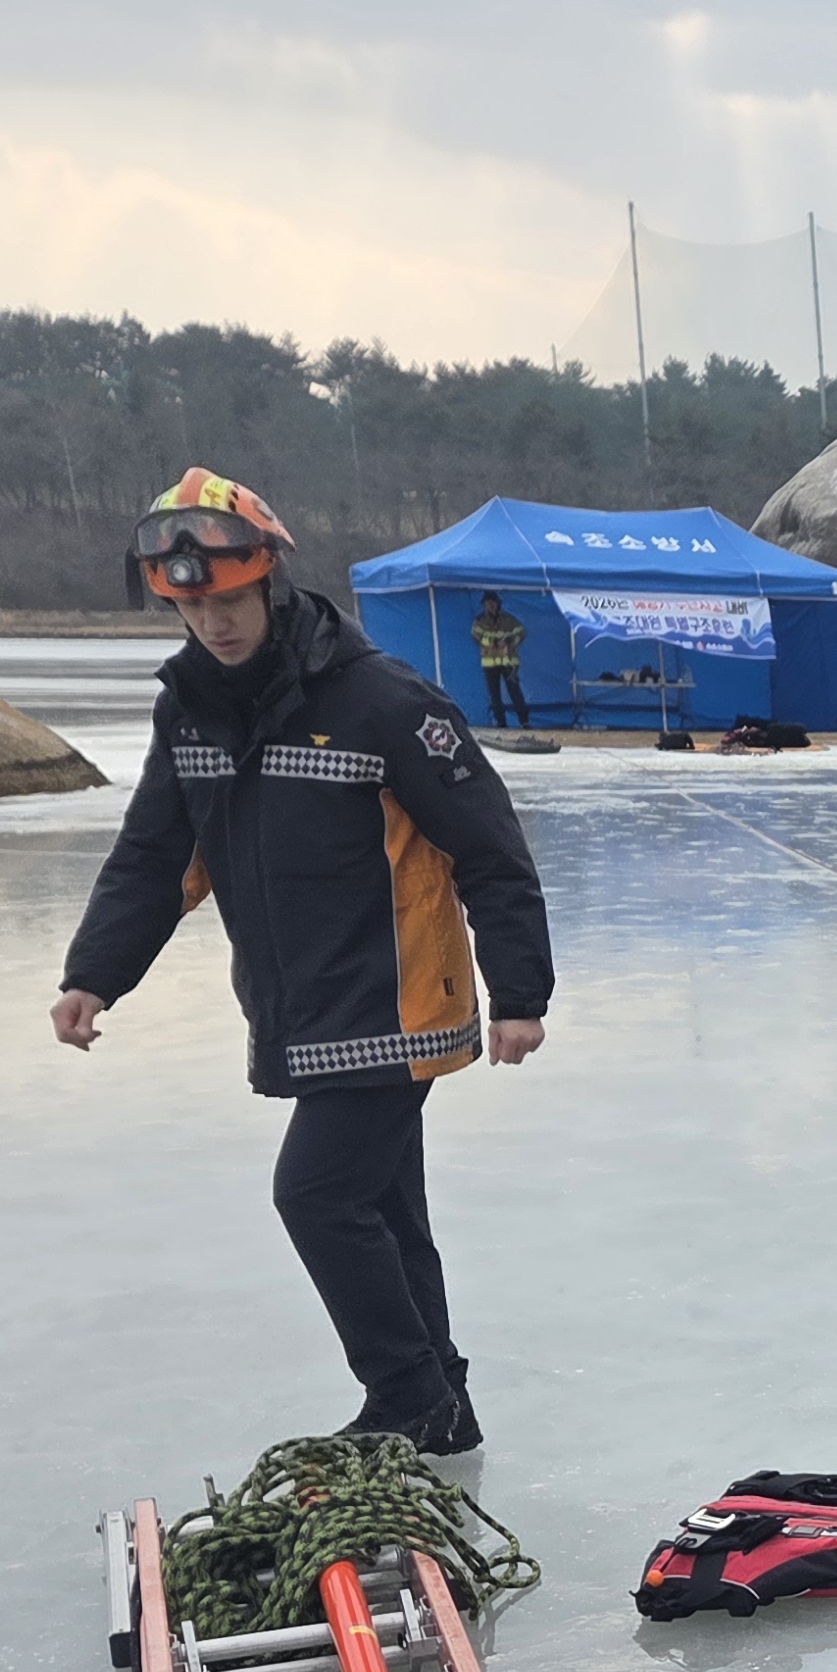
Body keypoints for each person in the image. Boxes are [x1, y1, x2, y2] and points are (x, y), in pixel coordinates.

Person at [53, 472, 552, 1451]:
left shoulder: (382, 700)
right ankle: (441, 1405)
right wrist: (94, 974)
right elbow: (156, 856)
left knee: (317, 1194)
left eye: (231, 602)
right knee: (384, 1207)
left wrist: (519, 990)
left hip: (399, 998)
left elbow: (490, 847)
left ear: (270, 582)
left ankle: (406, 1395)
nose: (214, 624)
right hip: (298, 1002)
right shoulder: (191, 711)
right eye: (194, 608)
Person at [471, 591, 532, 729]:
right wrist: (494, 642)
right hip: (490, 664)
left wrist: (510, 640)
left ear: (498, 603)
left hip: (508, 662)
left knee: (515, 693)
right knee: (494, 695)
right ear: (484, 604)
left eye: (493, 602)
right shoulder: (479, 621)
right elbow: (476, 637)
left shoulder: (509, 619)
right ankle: (501, 723)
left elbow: (521, 633)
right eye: (488, 603)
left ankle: (524, 721)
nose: (491, 605)